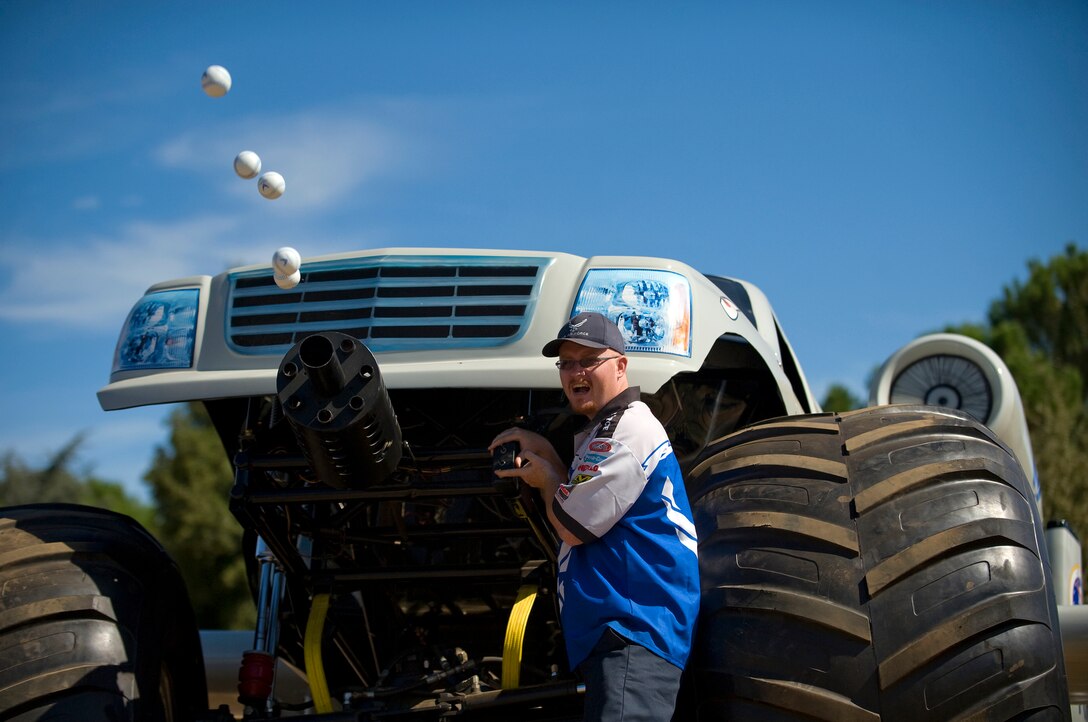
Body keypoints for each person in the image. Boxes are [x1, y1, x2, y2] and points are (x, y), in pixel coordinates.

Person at [490, 311, 700, 721]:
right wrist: (546, 454)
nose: (575, 372)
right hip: (624, 635)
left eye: (588, 360)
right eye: (566, 363)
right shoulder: (609, 431)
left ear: (621, 365)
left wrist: (546, 474)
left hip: (632, 633)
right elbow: (581, 498)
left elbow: (573, 524)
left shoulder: (629, 429)